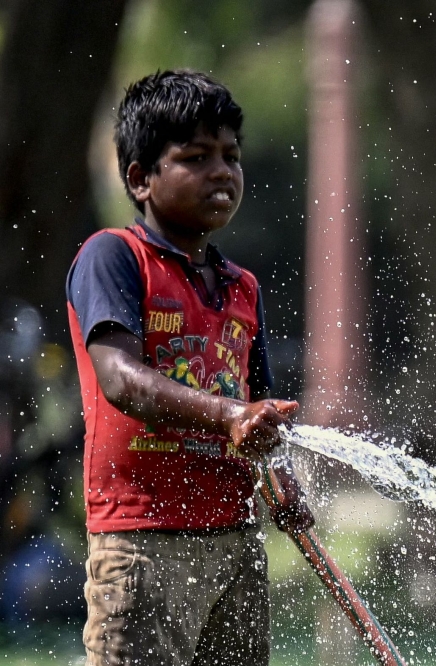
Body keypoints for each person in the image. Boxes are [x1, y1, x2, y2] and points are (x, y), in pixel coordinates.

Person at [66, 70, 313, 666]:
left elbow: (258, 413)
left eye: (231, 156)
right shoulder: (114, 257)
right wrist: (230, 415)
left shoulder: (242, 288)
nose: (222, 172)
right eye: (196, 157)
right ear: (139, 178)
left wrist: (280, 483)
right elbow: (121, 378)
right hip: (143, 542)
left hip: (234, 541)